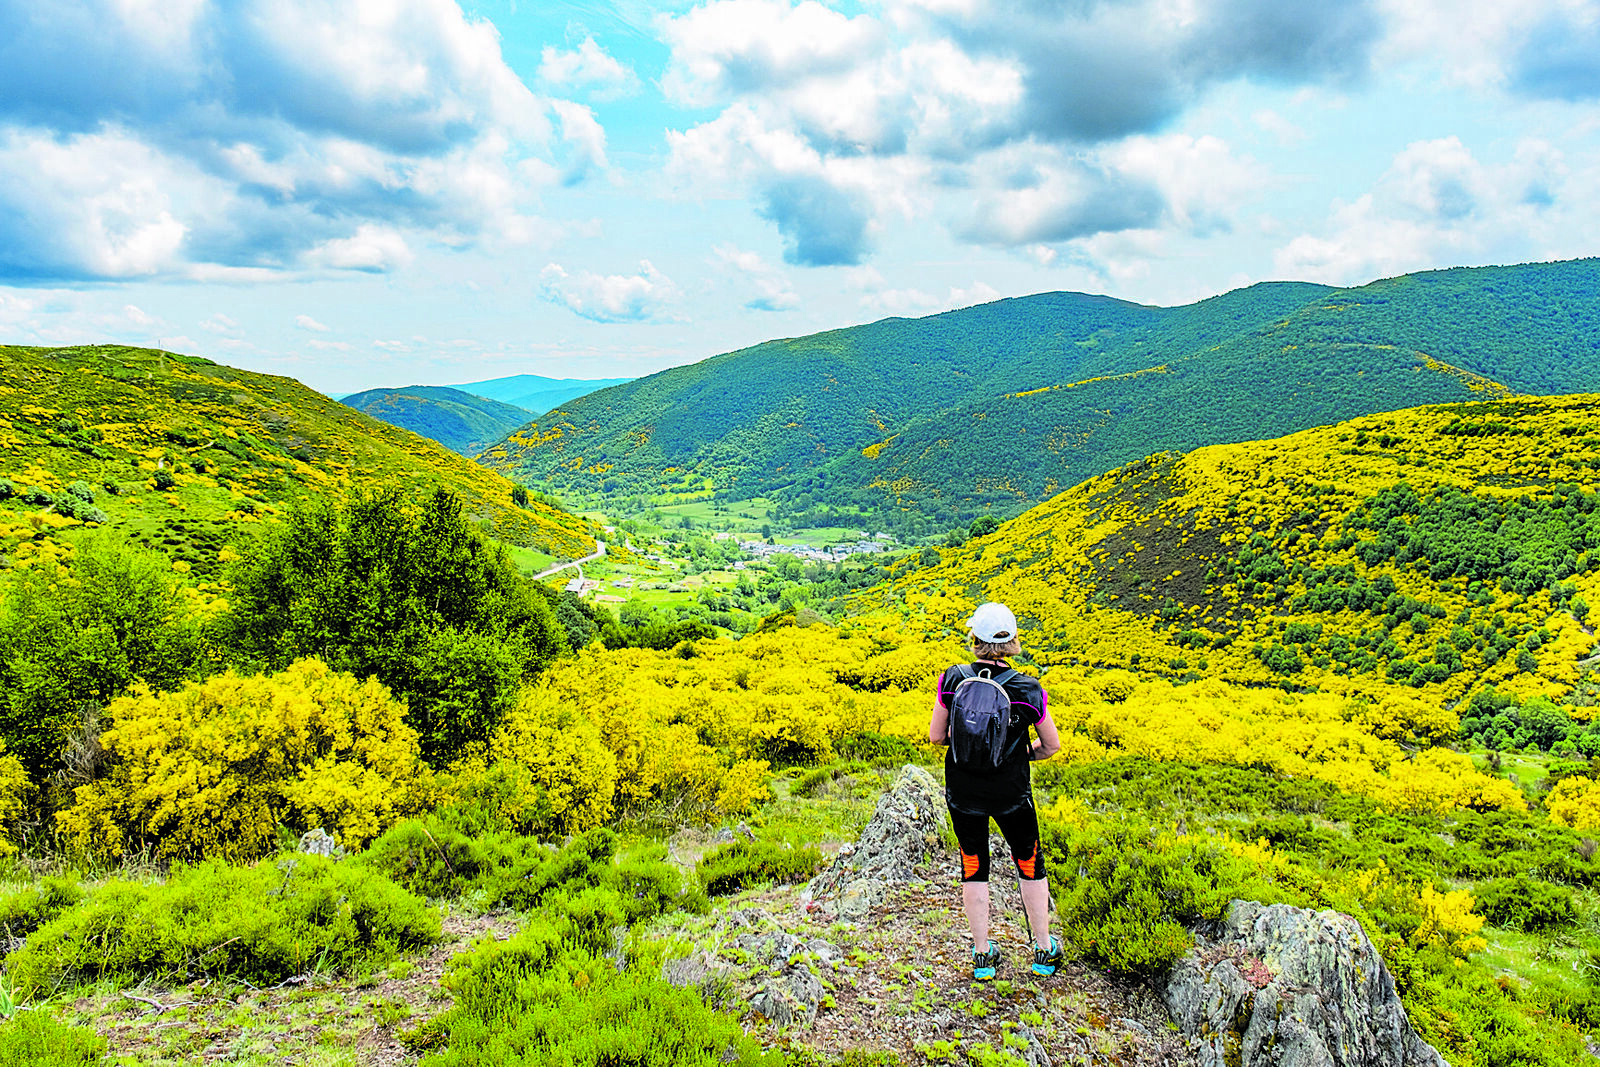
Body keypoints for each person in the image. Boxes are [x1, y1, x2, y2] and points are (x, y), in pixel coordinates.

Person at [929, 601, 1062, 980]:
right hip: (1012, 794)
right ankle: (1042, 950)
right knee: (1029, 864)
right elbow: (1052, 746)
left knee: (974, 866)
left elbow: (936, 736)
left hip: (963, 792)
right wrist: (1022, 755)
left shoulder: (953, 679)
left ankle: (983, 956)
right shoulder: (1027, 689)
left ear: (975, 640)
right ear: (1013, 642)